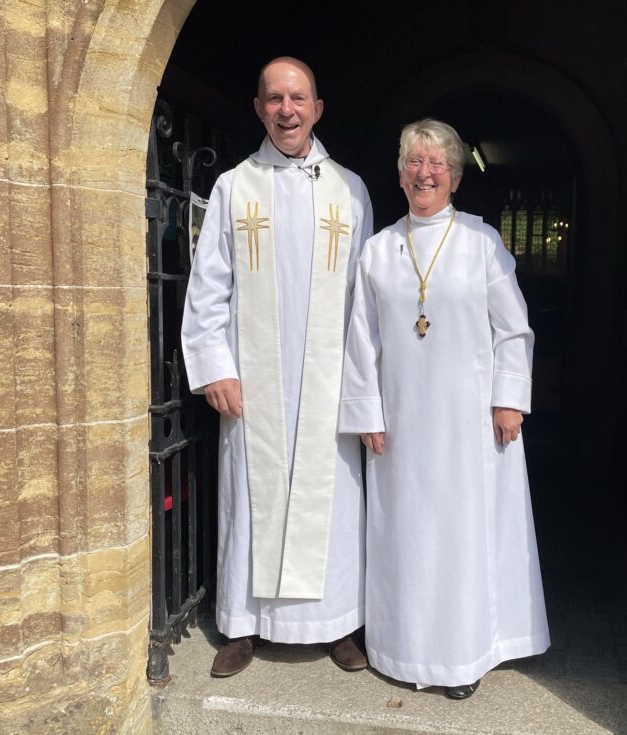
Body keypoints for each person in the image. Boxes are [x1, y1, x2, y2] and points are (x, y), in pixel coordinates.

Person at [338, 119, 549, 699]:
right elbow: (362, 340)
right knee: (406, 535)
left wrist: (509, 399)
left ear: (455, 177)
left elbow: (514, 330)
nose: (425, 172)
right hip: (402, 423)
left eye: (437, 164)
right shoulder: (379, 251)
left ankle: (461, 658)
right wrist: (366, 412)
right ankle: (401, 648)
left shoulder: (482, 243)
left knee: (459, 537)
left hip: (469, 423)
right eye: (414, 162)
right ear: (401, 174)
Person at [182, 57, 373, 678]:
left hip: (329, 382)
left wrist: (366, 385)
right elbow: (208, 287)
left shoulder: (351, 190)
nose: (286, 109)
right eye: (274, 99)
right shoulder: (234, 188)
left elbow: (367, 301)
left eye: (298, 98)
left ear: (317, 109)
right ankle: (243, 625)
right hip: (254, 381)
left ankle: (336, 623)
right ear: (260, 107)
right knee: (252, 497)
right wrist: (214, 365)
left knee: (334, 500)